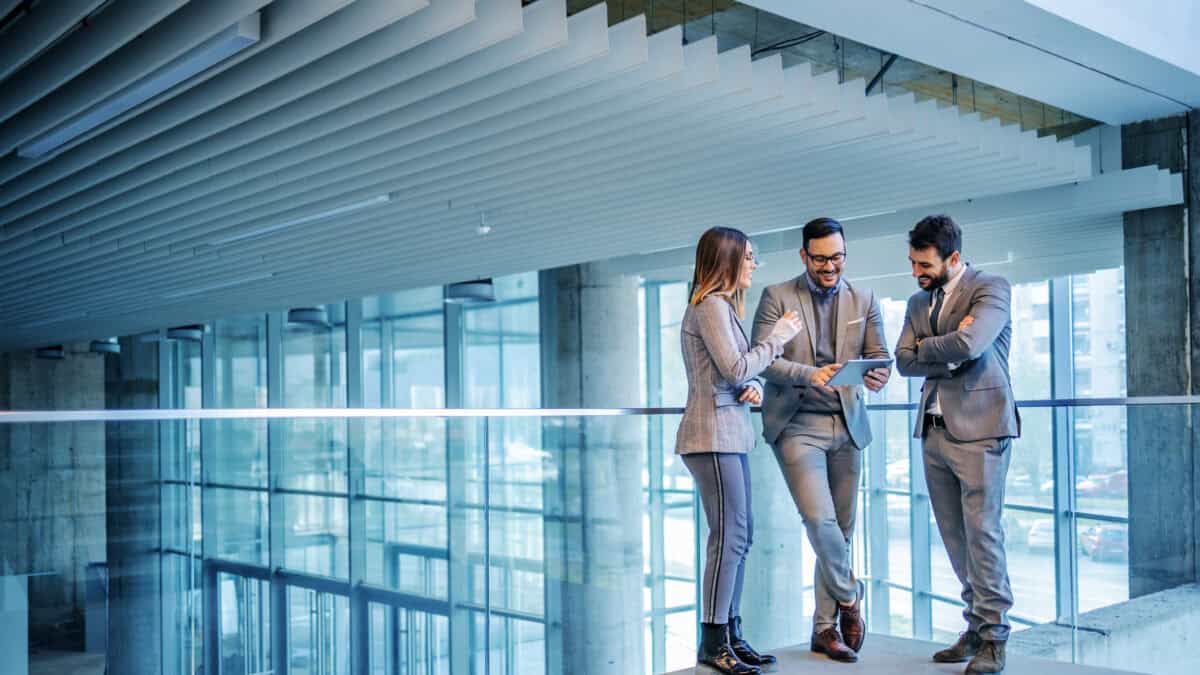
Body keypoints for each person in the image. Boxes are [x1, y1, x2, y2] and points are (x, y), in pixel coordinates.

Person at [750, 217, 891, 663]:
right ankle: (851, 596)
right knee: (819, 521)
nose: (831, 266)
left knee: (842, 532)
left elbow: (877, 354)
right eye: (821, 258)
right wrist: (812, 374)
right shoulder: (777, 296)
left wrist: (878, 373)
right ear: (803, 256)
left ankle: (825, 629)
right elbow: (764, 360)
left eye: (838, 257)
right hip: (797, 423)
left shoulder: (863, 297)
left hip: (848, 423)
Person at [895, 214, 1020, 675]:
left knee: (983, 534)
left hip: (982, 429)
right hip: (933, 430)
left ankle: (994, 637)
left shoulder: (991, 288)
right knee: (954, 537)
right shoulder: (915, 301)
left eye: (923, 264)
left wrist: (934, 347)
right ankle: (974, 625)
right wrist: (942, 351)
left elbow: (971, 342)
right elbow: (902, 360)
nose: (916, 273)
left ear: (952, 258)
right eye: (912, 263)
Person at [676, 226, 803, 675]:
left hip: (727, 434)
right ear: (727, 260)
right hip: (710, 437)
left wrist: (749, 385)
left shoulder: (720, 309)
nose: (753, 264)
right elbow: (733, 367)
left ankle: (729, 632)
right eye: (748, 257)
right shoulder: (709, 306)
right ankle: (713, 641)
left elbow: (730, 374)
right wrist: (778, 337)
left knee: (740, 537)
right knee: (728, 539)